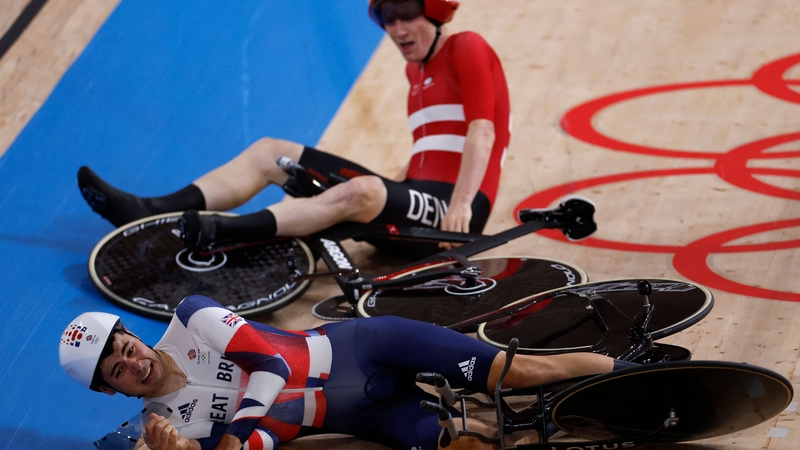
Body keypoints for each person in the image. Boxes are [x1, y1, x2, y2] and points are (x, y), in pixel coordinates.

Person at [77, 0, 511, 257]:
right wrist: (392, 190)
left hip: (456, 215)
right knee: (272, 151)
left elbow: (482, 133)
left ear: (435, 10)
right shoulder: (416, 75)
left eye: (405, 14)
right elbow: (427, 160)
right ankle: (150, 209)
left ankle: (223, 231)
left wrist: (460, 207)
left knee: (364, 191)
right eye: (386, 19)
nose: (396, 29)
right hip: (419, 205)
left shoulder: (465, 46)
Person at [60, 295, 635, 450]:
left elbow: (271, 363)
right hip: (369, 413)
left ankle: (636, 371)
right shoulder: (165, 428)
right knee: (471, 446)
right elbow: (265, 438)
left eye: (127, 346)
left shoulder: (191, 317)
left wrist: (231, 437)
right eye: (119, 370)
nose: (134, 362)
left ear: (134, 332)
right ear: (111, 389)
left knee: (520, 371)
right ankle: (561, 426)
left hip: (369, 348)